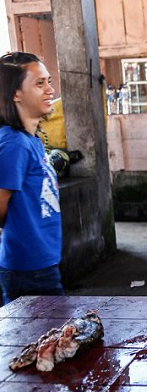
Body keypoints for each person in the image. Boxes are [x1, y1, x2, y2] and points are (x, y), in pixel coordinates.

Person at [0, 52, 63, 305]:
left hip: (42, 262)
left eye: (49, 81)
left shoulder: (31, 140)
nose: (50, 90)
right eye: (39, 83)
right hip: (27, 268)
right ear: (16, 93)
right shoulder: (14, 144)